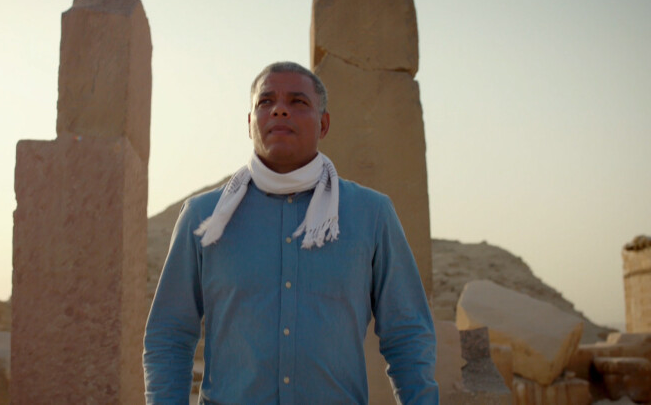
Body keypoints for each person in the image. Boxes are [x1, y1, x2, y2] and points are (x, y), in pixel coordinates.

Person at [144, 61, 438, 404]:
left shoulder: (371, 214)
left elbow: (407, 335)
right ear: (250, 123)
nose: (280, 110)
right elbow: (169, 335)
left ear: (324, 124)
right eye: (266, 101)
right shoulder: (203, 217)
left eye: (298, 102)